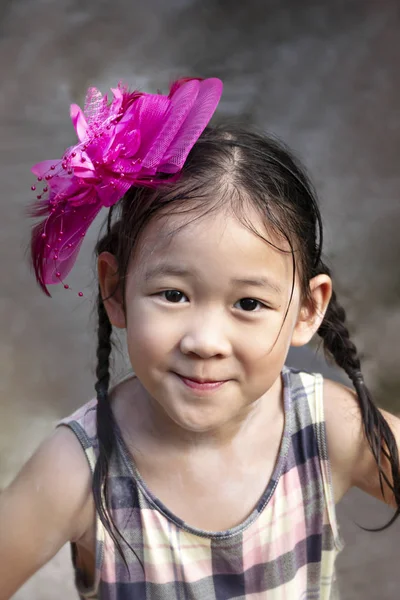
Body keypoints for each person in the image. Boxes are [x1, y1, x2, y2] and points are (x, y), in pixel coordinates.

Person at [0, 76, 399, 600]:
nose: (205, 341)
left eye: (249, 304)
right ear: (115, 289)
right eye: (172, 295)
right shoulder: (77, 471)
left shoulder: (328, 430)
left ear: (307, 310)